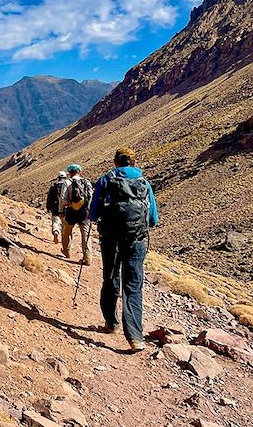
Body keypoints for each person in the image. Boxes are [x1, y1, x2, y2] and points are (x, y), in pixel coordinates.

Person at [89, 147, 158, 352]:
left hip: (110, 239)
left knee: (110, 277)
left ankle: (112, 323)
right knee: (133, 286)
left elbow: (93, 213)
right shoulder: (144, 183)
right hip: (136, 241)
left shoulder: (106, 179)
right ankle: (136, 337)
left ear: (115, 162)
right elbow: (153, 218)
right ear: (134, 162)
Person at [62, 164, 93, 265]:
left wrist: (65, 208)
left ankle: (66, 250)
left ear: (69, 172)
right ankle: (87, 258)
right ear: (79, 171)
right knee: (86, 234)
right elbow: (90, 196)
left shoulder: (67, 182)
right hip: (84, 212)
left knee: (67, 231)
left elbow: (63, 199)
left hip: (71, 211)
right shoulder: (86, 182)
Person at [46, 171, 68, 244]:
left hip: (55, 207)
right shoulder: (68, 185)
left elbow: (49, 197)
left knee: (55, 221)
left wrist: (48, 207)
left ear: (58, 177)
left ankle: (56, 231)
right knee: (64, 223)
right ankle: (64, 238)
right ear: (65, 177)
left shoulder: (53, 185)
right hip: (65, 207)